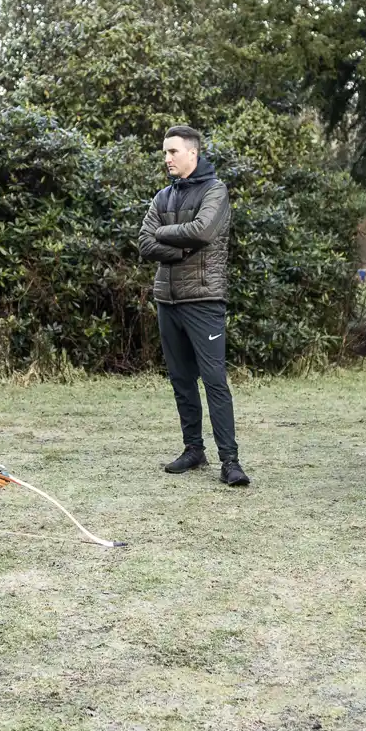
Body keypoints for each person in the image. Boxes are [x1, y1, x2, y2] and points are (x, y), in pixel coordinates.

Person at [139, 125, 246, 487]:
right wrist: (179, 247)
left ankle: (230, 461)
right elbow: (144, 243)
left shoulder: (215, 190)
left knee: (214, 381)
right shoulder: (161, 197)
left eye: (173, 152)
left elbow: (202, 232)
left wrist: (163, 235)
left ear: (192, 154)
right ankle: (193, 449)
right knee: (182, 381)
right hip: (167, 300)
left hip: (204, 299)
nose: (167, 158)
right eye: (165, 153)